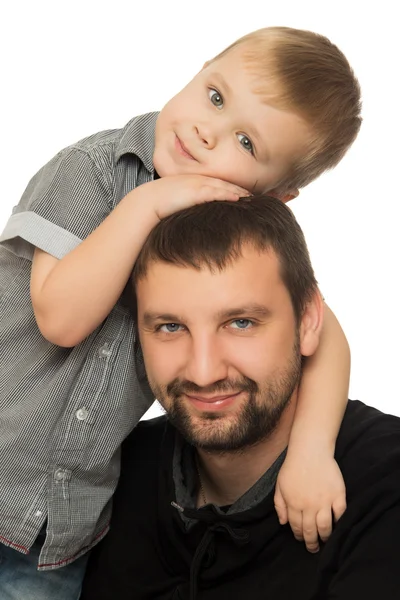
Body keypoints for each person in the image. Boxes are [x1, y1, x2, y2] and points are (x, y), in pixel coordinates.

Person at [0, 26, 361, 598]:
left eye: (246, 143)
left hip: (60, 534)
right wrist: (147, 205)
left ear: (272, 195)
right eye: (215, 97)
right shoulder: (93, 169)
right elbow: (60, 318)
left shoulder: (226, 238)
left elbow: (320, 333)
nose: (206, 131)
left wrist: (311, 454)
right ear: (200, 67)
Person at [81, 196, 400, 600]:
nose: (204, 371)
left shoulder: (386, 484)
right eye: (170, 327)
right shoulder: (107, 473)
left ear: (308, 321)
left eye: (240, 322)